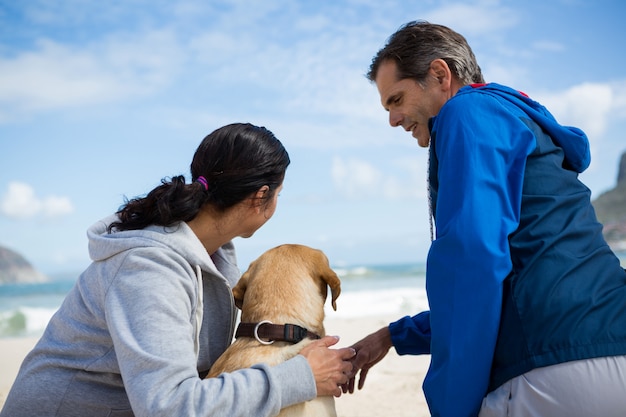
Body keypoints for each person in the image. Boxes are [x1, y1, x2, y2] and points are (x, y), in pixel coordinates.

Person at [345, 21, 626, 417]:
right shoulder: (511, 118)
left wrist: (451, 409)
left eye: (396, 99)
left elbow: (472, 264)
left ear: (440, 75)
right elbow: (518, 278)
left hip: (554, 369)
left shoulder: (467, 111)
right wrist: (392, 336)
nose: (393, 119)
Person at [0, 122, 355, 417]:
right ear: (261, 197)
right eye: (279, 193)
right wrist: (300, 376)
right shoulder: (148, 269)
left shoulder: (217, 259)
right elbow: (168, 407)